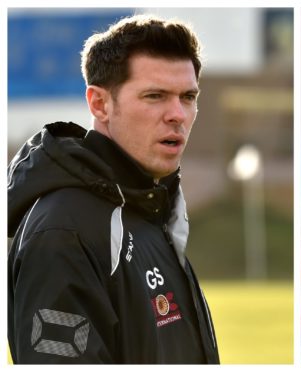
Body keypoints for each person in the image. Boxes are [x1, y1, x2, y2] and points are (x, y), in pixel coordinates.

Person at [8, 14, 219, 363]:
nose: (177, 114)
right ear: (99, 104)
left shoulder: (147, 207)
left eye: (187, 96)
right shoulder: (63, 231)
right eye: (155, 96)